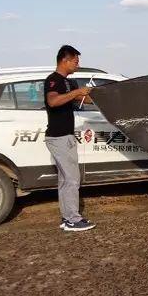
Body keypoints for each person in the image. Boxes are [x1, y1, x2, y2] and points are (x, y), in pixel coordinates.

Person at [44, 45, 96, 232]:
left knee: (65, 180)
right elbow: (53, 101)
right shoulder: (53, 80)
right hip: (59, 137)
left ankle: (67, 218)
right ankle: (73, 219)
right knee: (72, 179)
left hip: (65, 137)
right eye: (75, 61)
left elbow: (84, 99)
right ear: (64, 60)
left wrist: (94, 94)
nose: (77, 64)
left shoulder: (69, 82)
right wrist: (76, 92)